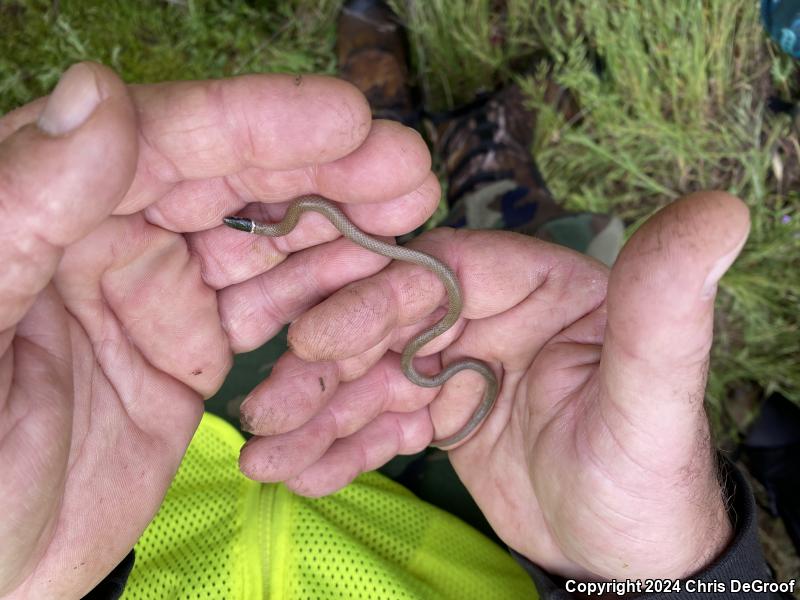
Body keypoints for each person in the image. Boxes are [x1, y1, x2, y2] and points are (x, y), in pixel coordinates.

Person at [0, 2, 788, 599]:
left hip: (263, 415)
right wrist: (682, 582)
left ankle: (421, 139)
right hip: (464, 502)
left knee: (380, 282)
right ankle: (483, 164)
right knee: (517, 281)